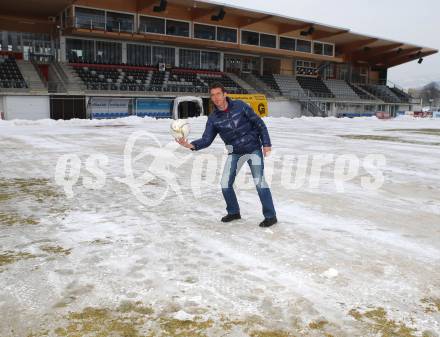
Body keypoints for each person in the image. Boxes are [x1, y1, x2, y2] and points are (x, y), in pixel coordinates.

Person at [176, 82, 277, 228]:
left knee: (260, 182)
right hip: (235, 152)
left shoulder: (240, 106)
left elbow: (259, 124)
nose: (216, 98)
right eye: (213, 95)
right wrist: (191, 145)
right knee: (225, 184)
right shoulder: (213, 118)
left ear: (225, 94)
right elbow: (206, 139)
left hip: (253, 148)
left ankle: (270, 216)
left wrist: (266, 144)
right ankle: (234, 211)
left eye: (218, 94)